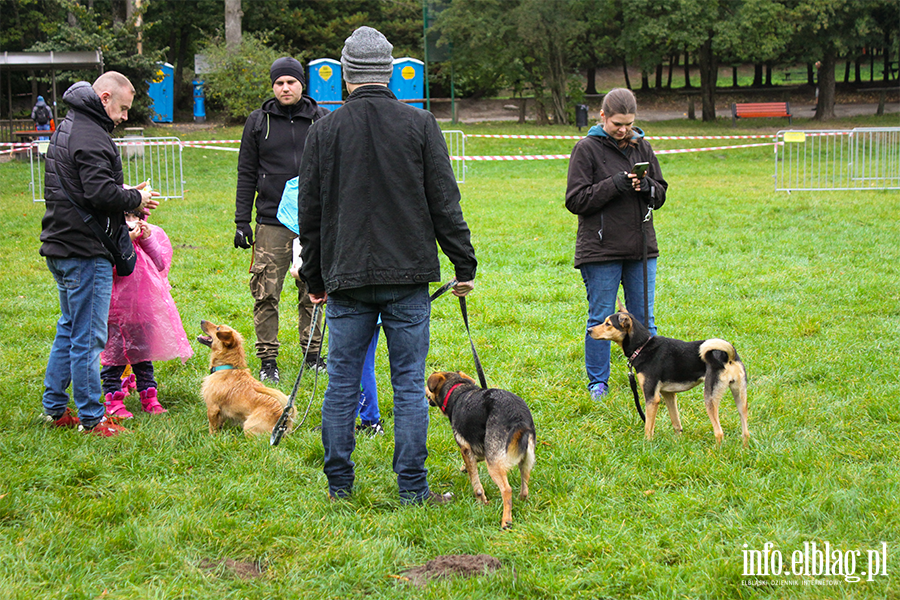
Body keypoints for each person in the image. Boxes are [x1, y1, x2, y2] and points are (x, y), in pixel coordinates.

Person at [297, 26, 477, 504]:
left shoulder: (324, 130)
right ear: (391, 71)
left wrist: (314, 278)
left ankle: (340, 487)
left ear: (346, 74)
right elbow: (446, 202)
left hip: (349, 277)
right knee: (408, 385)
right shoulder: (419, 125)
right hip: (406, 277)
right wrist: (464, 264)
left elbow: (308, 216)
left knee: (341, 385)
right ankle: (412, 489)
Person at [39, 71, 159, 436]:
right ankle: (93, 418)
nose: (124, 117)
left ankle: (55, 407)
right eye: (122, 109)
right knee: (89, 338)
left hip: (60, 244)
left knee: (68, 329)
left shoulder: (69, 125)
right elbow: (100, 195)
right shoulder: (92, 135)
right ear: (105, 98)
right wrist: (135, 198)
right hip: (84, 250)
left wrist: (123, 192)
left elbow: (86, 186)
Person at [565, 88, 668, 401]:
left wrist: (645, 186)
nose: (624, 130)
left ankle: (649, 377)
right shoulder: (586, 149)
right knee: (601, 319)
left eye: (629, 124)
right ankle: (598, 383)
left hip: (640, 248)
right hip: (601, 251)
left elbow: (661, 193)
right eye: (617, 124)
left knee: (643, 320)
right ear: (602, 117)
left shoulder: (642, 146)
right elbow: (576, 199)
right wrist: (615, 184)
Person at [235, 57, 330, 384]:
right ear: (273, 86)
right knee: (266, 291)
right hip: (271, 220)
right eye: (279, 83)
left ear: (302, 84)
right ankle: (268, 359)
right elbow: (246, 172)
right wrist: (241, 220)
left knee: (312, 287)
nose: (285, 87)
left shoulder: (322, 118)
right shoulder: (258, 122)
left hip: (313, 220)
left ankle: (313, 353)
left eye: (291, 81)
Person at [100, 208, 194, 418]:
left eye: (137, 217)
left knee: (143, 355)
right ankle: (113, 398)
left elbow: (160, 264)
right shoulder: (107, 239)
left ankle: (149, 396)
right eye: (126, 217)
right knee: (114, 357)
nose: (132, 222)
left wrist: (147, 240)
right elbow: (112, 268)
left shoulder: (148, 238)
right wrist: (125, 242)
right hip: (115, 311)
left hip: (143, 309)